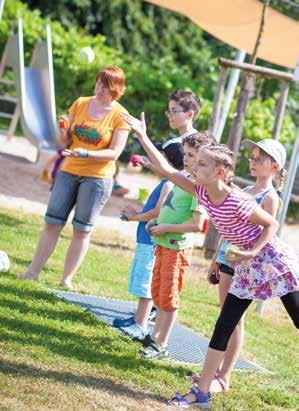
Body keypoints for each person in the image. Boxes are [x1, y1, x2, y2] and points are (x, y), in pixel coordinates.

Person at [121, 113, 298, 408]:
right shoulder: (200, 191)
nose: (192, 165)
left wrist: (252, 252)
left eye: (200, 163)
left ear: (219, 171)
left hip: (272, 262)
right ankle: (202, 392)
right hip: (245, 268)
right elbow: (166, 169)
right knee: (223, 326)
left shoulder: (238, 200)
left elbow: (272, 225)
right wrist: (142, 135)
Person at [18, 65, 131, 289]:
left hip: (97, 179)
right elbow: (64, 142)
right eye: (98, 83)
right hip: (69, 172)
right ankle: (32, 272)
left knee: (82, 229)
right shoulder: (80, 103)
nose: (98, 89)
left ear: (115, 89)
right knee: (52, 223)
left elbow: (115, 153)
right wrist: (63, 129)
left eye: (104, 86)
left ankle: (66, 279)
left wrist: (88, 152)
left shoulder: (121, 116)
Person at [188, 138, 287, 393]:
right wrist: (215, 260)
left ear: (275, 166)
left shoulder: (269, 198)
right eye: (251, 158)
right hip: (228, 260)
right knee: (226, 318)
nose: (252, 162)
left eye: (259, 159)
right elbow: (227, 227)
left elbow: (264, 235)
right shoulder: (244, 191)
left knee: (234, 320)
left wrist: (248, 254)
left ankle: (224, 376)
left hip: (247, 264)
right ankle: (213, 374)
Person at [113, 147, 179, 339]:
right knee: (141, 278)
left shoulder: (168, 184)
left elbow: (159, 212)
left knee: (146, 282)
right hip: (145, 238)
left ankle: (141, 324)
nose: (155, 163)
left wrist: (136, 217)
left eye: (160, 159)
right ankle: (137, 319)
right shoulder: (166, 181)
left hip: (151, 240)